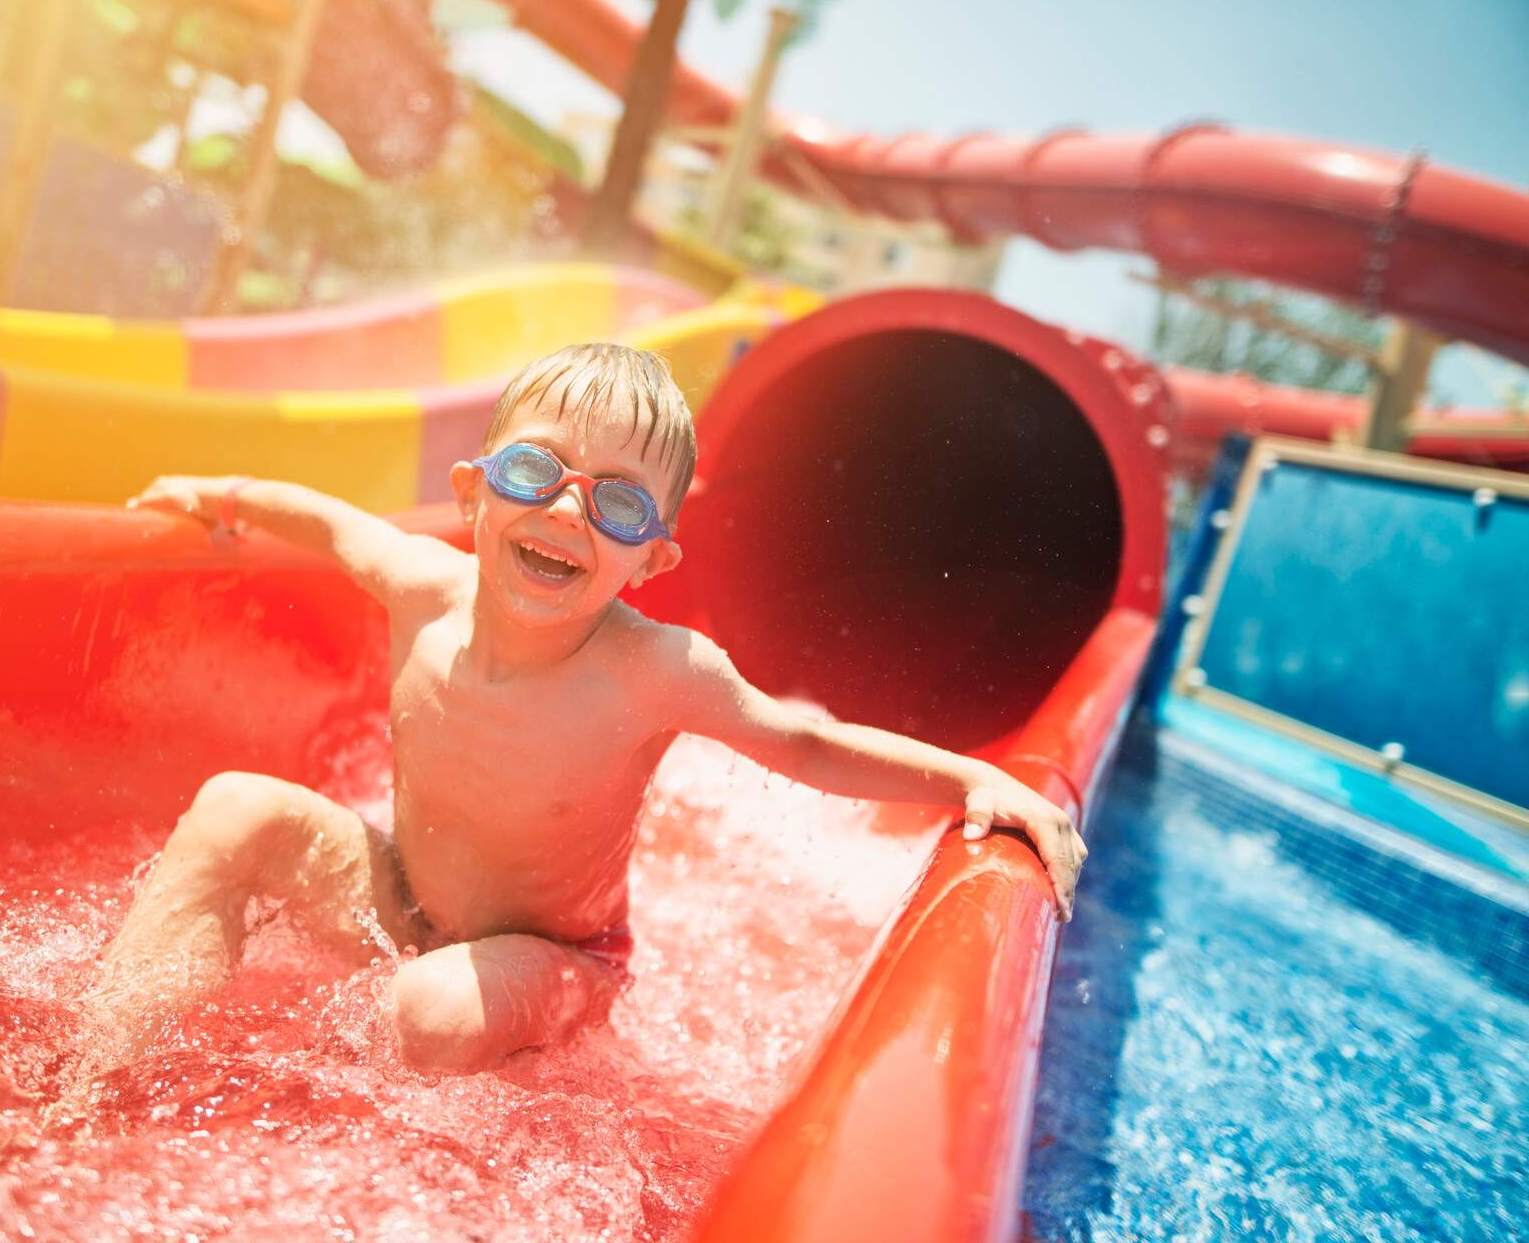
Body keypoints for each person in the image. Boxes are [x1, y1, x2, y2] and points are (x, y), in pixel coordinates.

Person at [85, 343, 1086, 1076]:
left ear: (653, 560)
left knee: (429, 1013)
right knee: (234, 807)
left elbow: (806, 743)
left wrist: (978, 777)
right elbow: (329, 520)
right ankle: (95, 1073)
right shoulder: (420, 585)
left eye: (617, 504)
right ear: (473, 495)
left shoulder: (656, 669)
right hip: (403, 891)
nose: (567, 509)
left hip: (557, 956)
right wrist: (218, 492)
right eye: (535, 471)